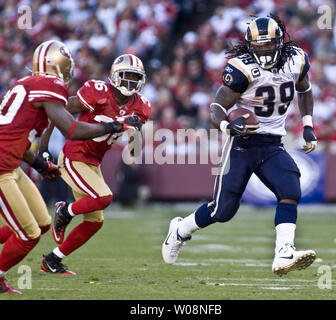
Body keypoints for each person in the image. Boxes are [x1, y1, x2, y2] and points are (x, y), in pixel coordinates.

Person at [162, 15, 317, 276]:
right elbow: (216, 108)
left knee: (290, 187)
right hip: (243, 143)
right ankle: (180, 229)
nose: (265, 50)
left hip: (272, 143)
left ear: (280, 41)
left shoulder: (296, 60)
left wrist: (308, 125)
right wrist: (227, 126)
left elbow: (305, 89)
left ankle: (284, 252)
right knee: (223, 210)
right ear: (250, 46)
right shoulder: (242, 69)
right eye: (259, 46)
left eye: (269, 44)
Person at [0, 40, 136, 294]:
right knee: (28, 234)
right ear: (57, 64)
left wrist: (40, 163)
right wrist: (112, 126)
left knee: (40, 224)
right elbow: (71, 129)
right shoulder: (50, 84)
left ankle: (50, 257)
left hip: (12, 163)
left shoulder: (28, 84)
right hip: (2, 168)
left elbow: (18, 138)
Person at [40, 53, 152, 275]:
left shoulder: (142, 107)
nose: (130, 82)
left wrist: (137, 132)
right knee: (104, 197)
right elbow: (57, 113)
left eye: (134, 77)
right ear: (114, 76)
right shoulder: (97, 92)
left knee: (94, 221)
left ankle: (52, 260)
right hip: (74, 155)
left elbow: (134, 150)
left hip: (93, 162)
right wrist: (43, 148)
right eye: (126, 76)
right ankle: (65, 210)